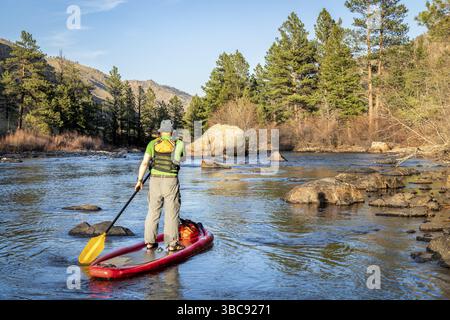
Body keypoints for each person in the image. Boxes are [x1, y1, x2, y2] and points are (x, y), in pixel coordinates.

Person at [135, 120, 185, 252]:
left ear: (160, 131)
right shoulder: (178, 143)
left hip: (154, 181)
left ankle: (150, 243)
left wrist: (139, 180)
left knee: (153, 212)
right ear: (172, 131)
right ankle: (172, 244)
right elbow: (180, 159)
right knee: (171, 213)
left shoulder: (152, 143)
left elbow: (145, 163)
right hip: (170, 181)